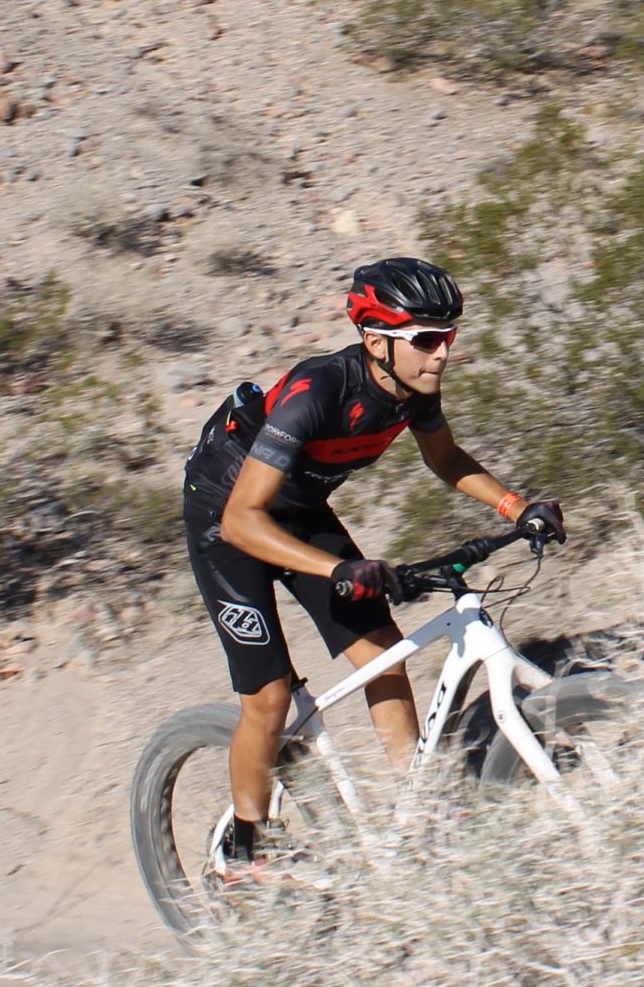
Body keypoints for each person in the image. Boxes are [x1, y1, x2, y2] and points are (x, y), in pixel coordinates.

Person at [180, 256, 561, 879]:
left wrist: (518, 507)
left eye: (450, 336)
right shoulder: (317, 393)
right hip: (228, 515)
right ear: (376, 340)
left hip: (298, 509)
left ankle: (420, 802)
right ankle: (243, 848)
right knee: (270, 698)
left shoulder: (414, 388)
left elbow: (445, 457)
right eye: (427, 340)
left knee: (382, 647)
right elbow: (242, 522)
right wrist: (335, 573)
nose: (442, 354)